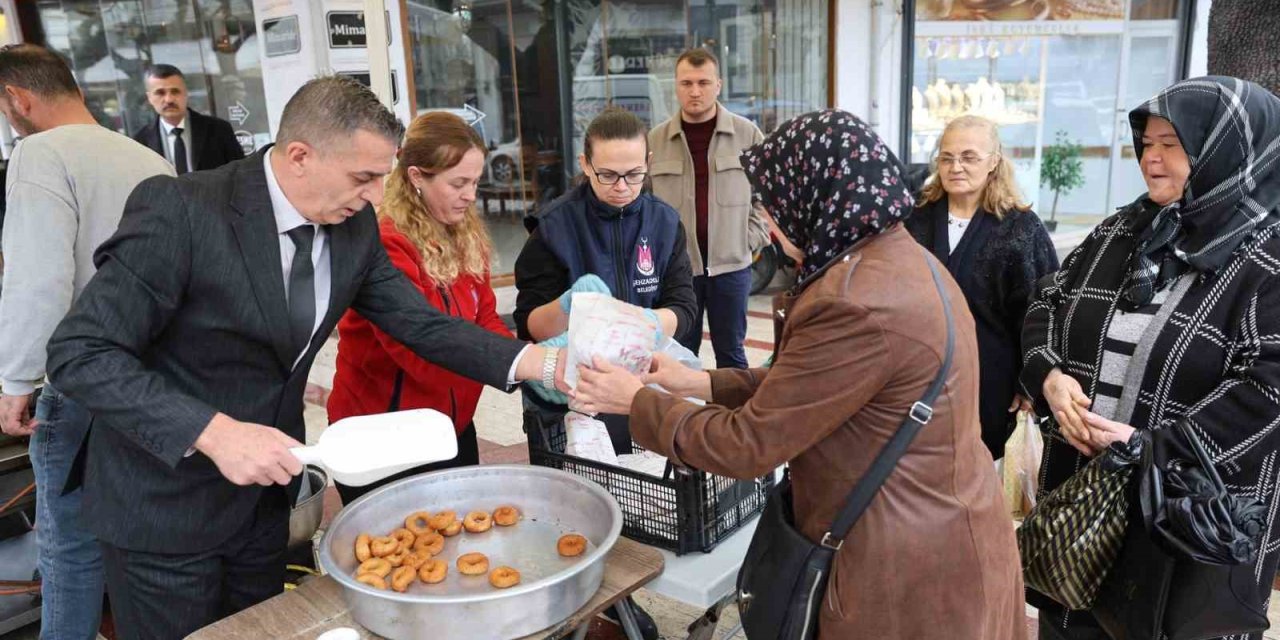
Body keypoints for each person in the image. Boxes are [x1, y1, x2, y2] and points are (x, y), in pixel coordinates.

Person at [43, 76, 563, 639]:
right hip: (164, 510)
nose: (374, 198)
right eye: (363, 178)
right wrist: (212, 432)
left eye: (379, 180)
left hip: (265, 507)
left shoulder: (353, 223)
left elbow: (419, 324)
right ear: (299, 157)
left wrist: (536, 363)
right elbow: (81, 352)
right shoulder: (184, 210)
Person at [571, 110, 1026, 640]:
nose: (769, 222)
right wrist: (700, 383)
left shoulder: (855, 301)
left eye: (773, 204)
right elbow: (819, 387)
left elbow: (749, 445)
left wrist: (637, 402)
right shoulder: (895, 256)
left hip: (904, 565)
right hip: (938, 532)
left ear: (815, 197)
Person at [1019, 77, 1280, 640]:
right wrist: (1049, 377)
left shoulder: (1267, 258)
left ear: (1224, 150)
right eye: (1146, 143)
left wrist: (1148, 447)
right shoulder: (1122, 230)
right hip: (1083, 518)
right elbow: (1047, 300)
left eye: (1172, 144)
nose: (1151, 160)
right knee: (1076, 625)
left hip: (1185, 526)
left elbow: (1270, 389)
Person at [0, 44, 174, 640]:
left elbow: (39, 278)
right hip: (153, 378)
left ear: (16, 98)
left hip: (80, 381)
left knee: (68, 547)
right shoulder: (147, 157)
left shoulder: (39, 153)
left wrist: (17, 379)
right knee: (136, 538)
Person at [513, 107, 696, 640]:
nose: (622, 186)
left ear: (649, 164)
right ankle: (596, 611)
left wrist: (643, 322)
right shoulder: (554, 226)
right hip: (570, 392)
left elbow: (684, 304)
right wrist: (569, 307)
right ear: (585, 165)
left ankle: (627, 604)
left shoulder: (662, 223)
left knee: (640, 503)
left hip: (640, 388)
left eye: (634, 173)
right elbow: (528, 319)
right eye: (608, 174)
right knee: (580, 514)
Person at [327, 111, 511, 504]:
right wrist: (518, 365)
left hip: (450, 426)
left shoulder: (463, 231)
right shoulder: (387, 246)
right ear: (416, 177)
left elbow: (486, 317)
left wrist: (521, 364)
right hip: (384, 438)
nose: (471, 195)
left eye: (476, 182)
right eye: (458, 183)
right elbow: (422, 353)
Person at [905, 115, 1058, 458]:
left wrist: (1029, 380)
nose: (955, 166)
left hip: (989, 382)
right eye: (946, 157)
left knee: (976, 471)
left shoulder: (1020, 229)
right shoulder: (915, 218)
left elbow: (1044, 310)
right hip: (916, 377)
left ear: (994, 162)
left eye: (969, 157)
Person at [648, 48, 769, 368]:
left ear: (719, 85)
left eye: (703, 82)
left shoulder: (747, 135)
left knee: (731, 354)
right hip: (677, 273)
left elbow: (769, 198)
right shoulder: (655, 141)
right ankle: (684, 419)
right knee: (680, 357)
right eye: (686, 83)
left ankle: (736, 419)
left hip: (731, 269)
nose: (695, 91)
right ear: (675, 86)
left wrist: (750, 239)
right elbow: (643, 206)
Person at [132, 64, 245, 173]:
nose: (169, 99)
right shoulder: (140, 142)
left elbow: (240, 173)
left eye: (175, 91)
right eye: (160, 93)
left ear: (186, 93)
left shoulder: (219, 130)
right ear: (150, 98)